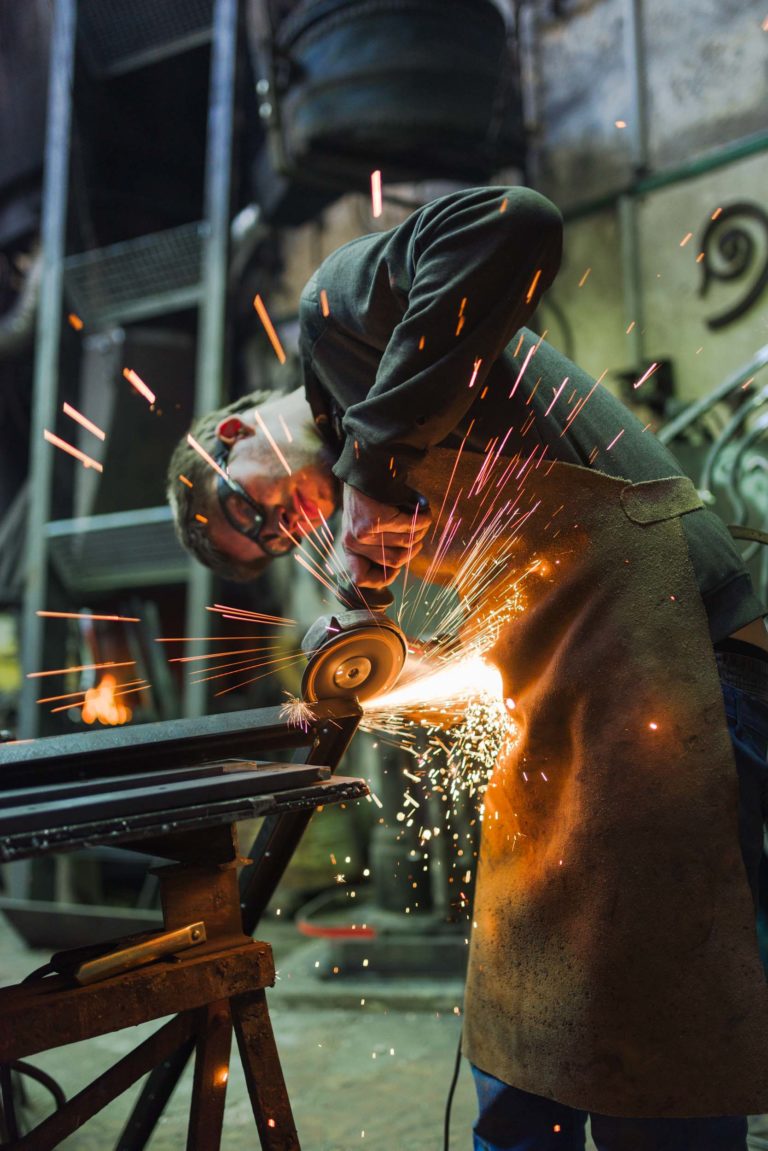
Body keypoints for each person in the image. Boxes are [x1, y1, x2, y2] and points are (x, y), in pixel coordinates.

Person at [168, 185, 768, 1150]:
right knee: (529, 1011)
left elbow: (512, 222)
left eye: (255, 510)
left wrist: (369, 472)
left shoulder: (335, 321)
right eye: (272, 545)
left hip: (684, 665)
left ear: (234, 438)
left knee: (663, 1033)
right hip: (594, 697)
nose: (289, 527)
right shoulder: (394, 467)